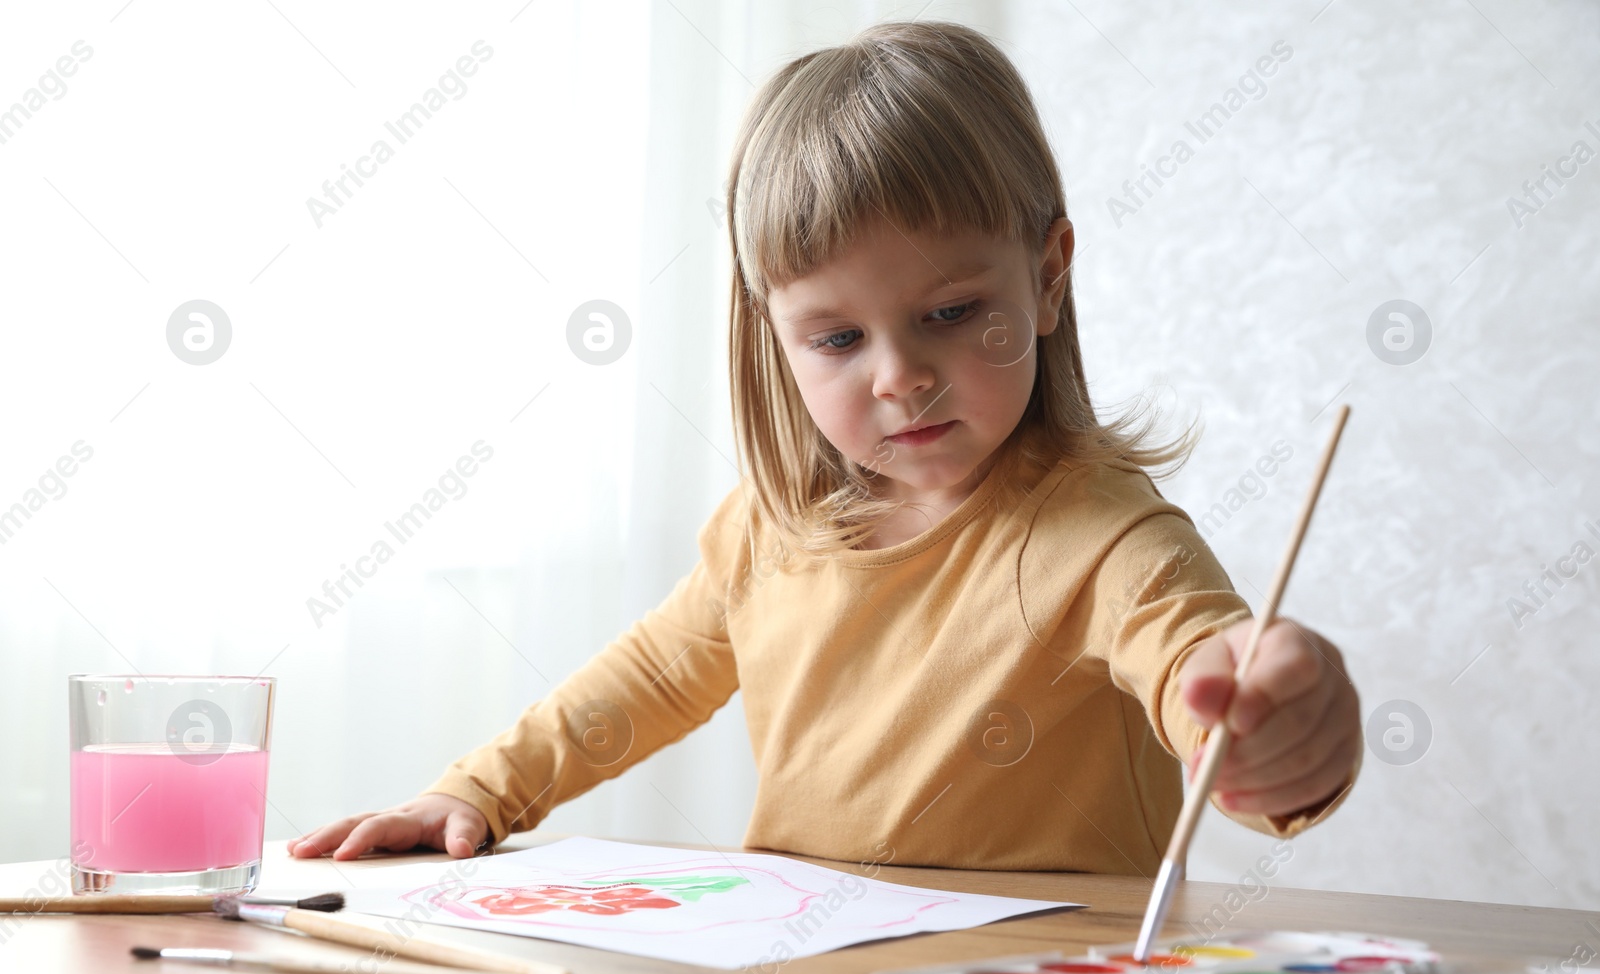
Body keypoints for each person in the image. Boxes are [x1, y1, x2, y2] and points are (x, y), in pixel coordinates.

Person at [290, 20, 1361, 873]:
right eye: (839, 337)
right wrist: (478, 789)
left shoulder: (1101, 527)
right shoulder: (771, 529)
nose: (898, 374)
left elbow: (1194, 662)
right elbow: (650, 675)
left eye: (950, 311)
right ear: (776, 337)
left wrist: (1266, 723)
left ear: (1046, 276)